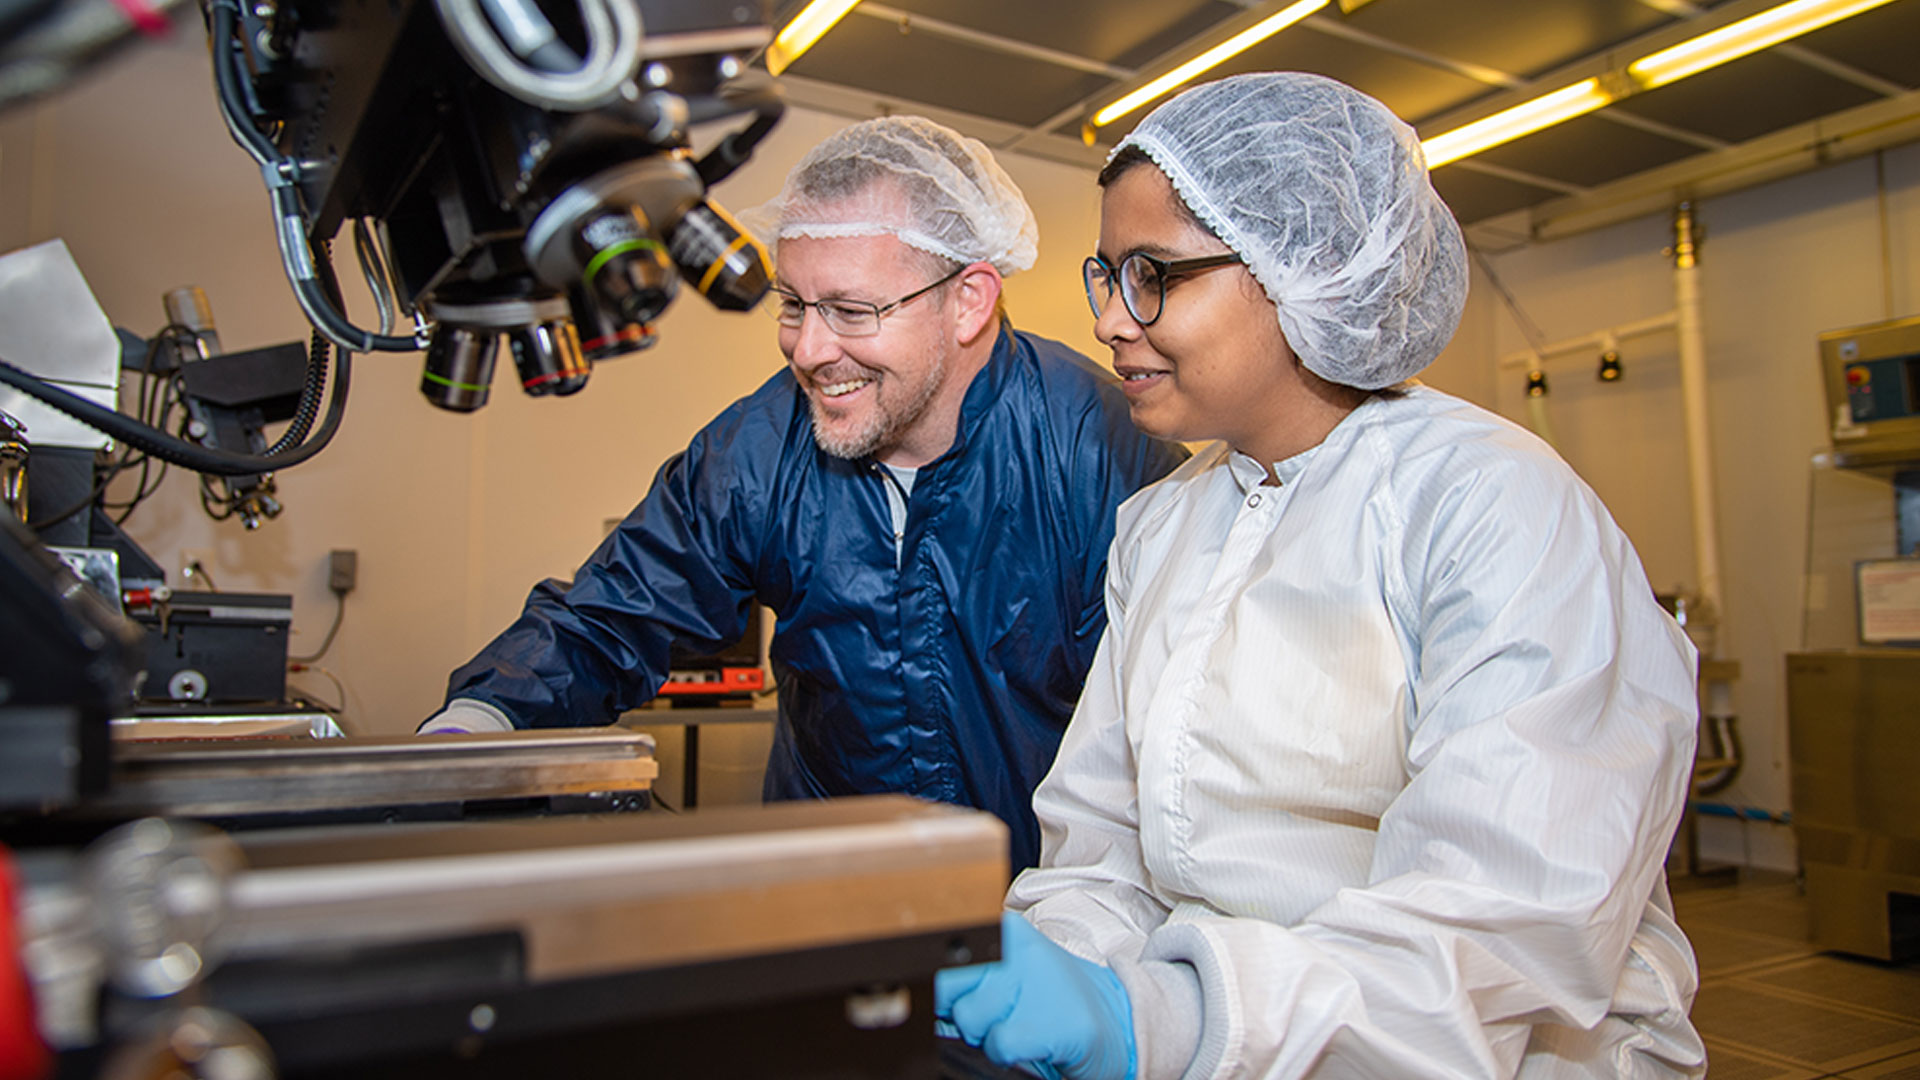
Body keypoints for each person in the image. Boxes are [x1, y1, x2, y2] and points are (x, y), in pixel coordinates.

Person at [935, 73, 1705, 1078]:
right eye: (1108, 274)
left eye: (1154, 275)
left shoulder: (1492, 505)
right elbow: (1106, 843)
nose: (1113, 321)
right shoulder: (1160, 526)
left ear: (1307, 269)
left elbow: (1503, 923)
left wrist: (1165, 1016)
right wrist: (1065, 972)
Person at [422, 116, 1187, 875]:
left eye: (853, 311)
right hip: (826, 902)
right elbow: (607, 618)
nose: (811, 351)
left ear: (969, 301)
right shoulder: (763, 448)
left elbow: (1166, 736)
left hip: (1043, 920)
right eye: (793, 305)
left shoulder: (1103, 453)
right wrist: (480, 725)